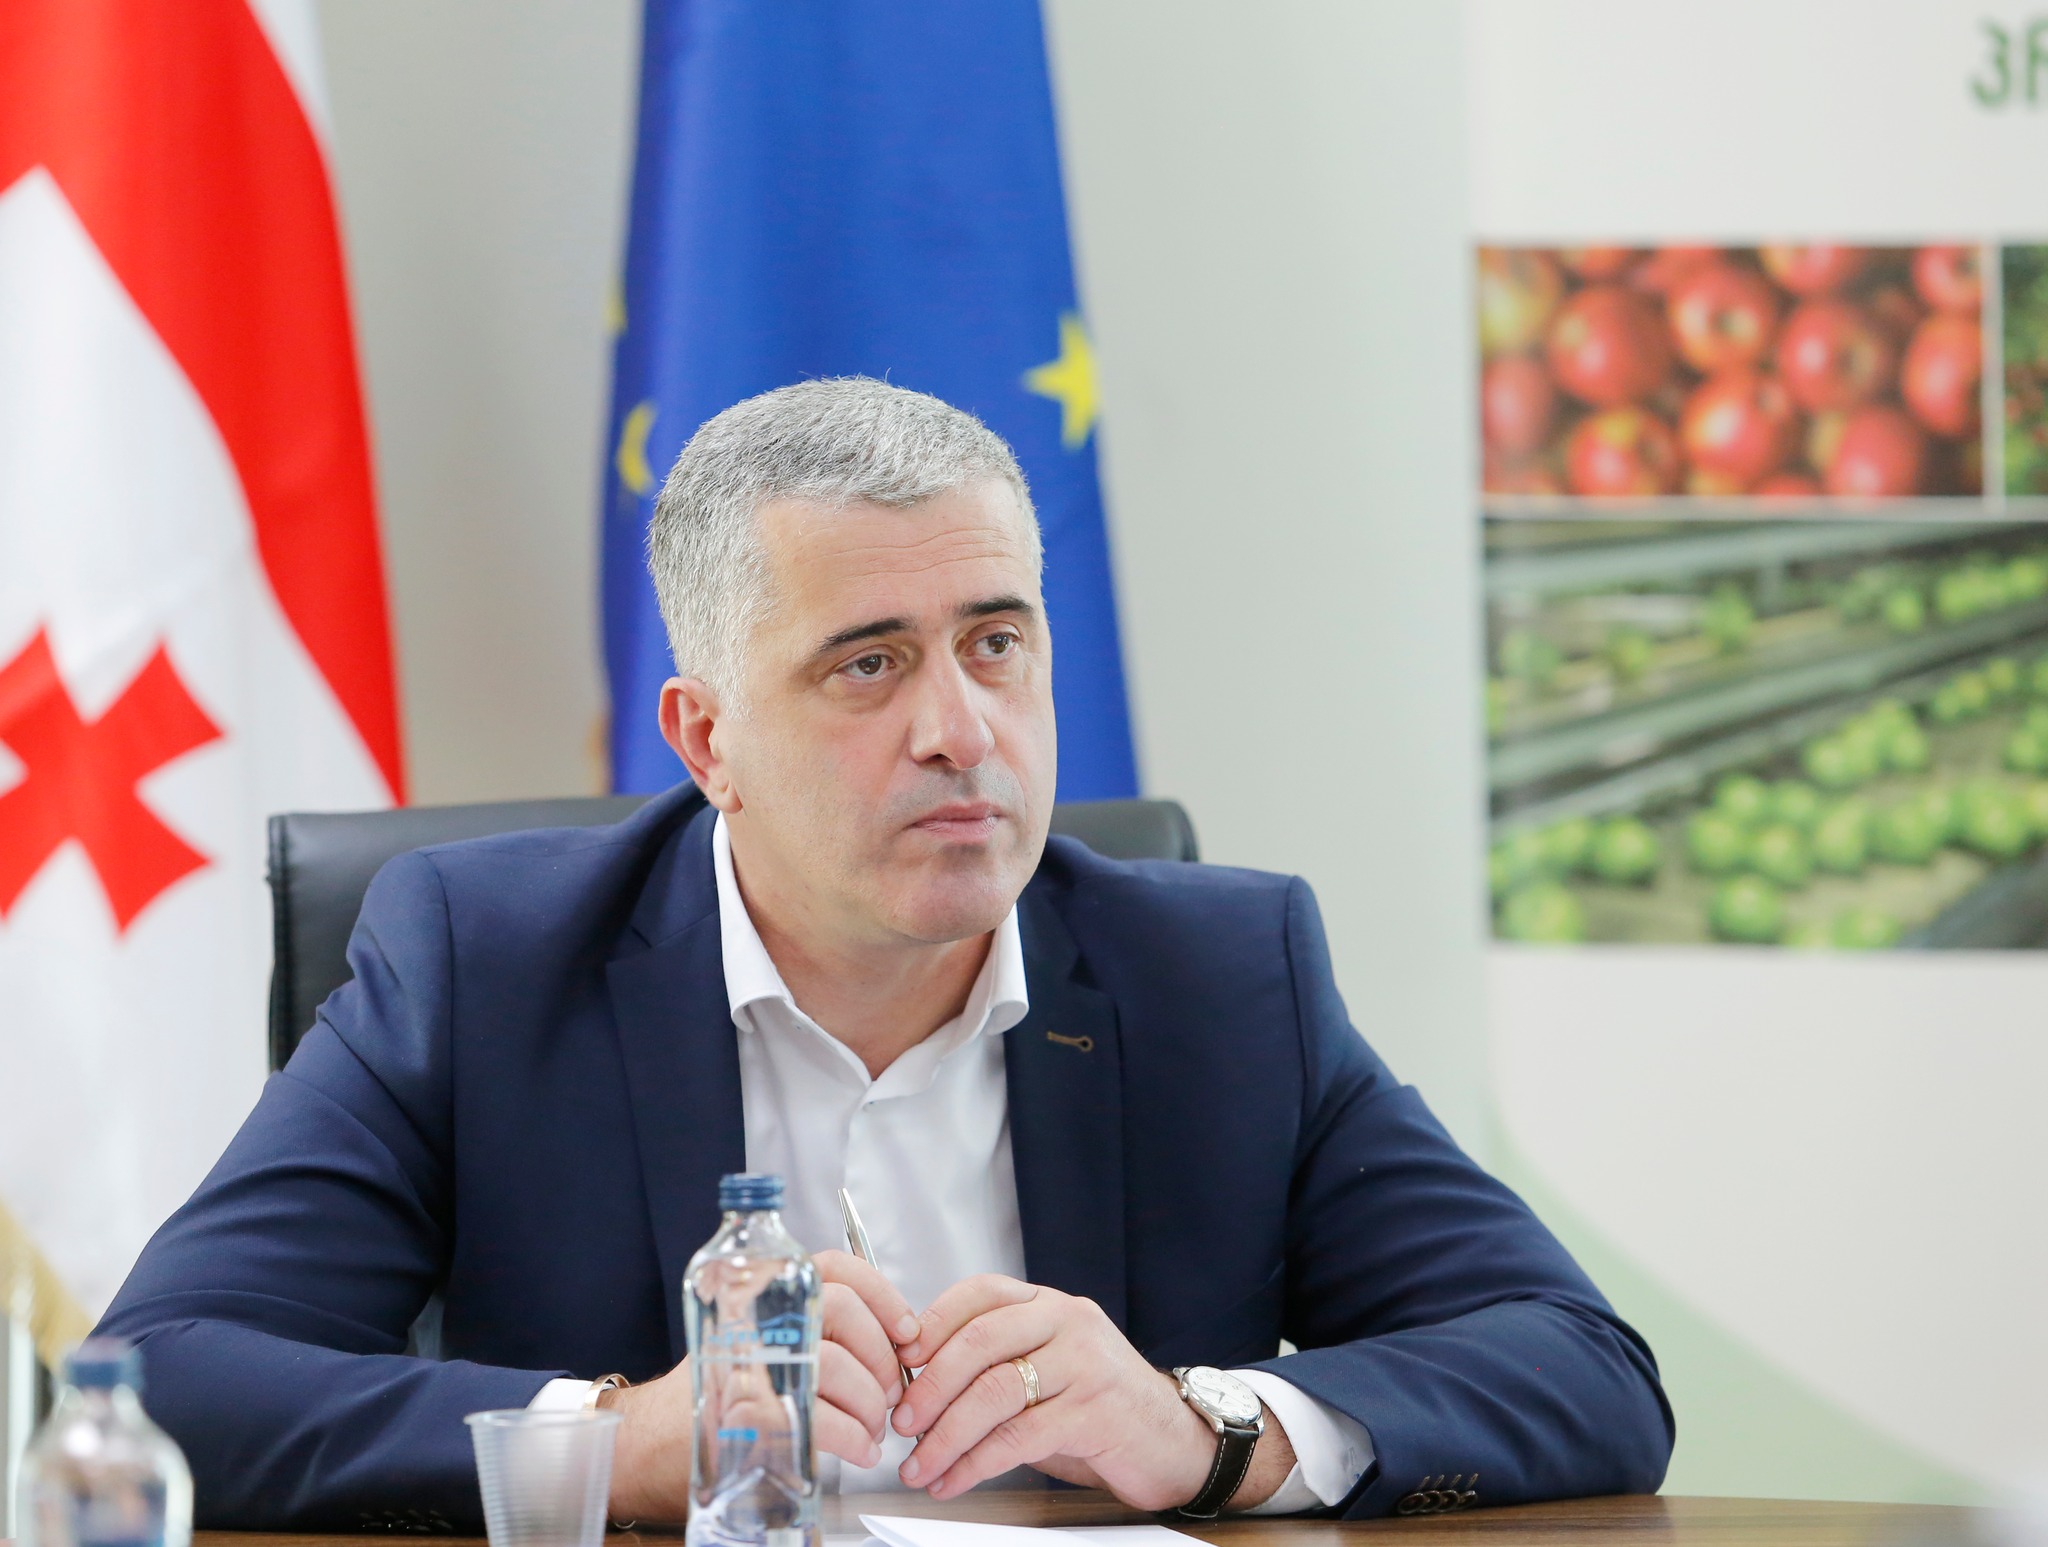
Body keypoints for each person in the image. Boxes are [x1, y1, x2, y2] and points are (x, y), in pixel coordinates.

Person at [98, 379, 1672, 1529]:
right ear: (706, 738)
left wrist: (1205, 1431)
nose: (961, 731)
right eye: (869, 665)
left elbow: (1582, 1371)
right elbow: (161, 1375)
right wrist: (622, 1442)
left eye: (997, 643)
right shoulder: (486, 964)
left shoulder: (1218, 973)